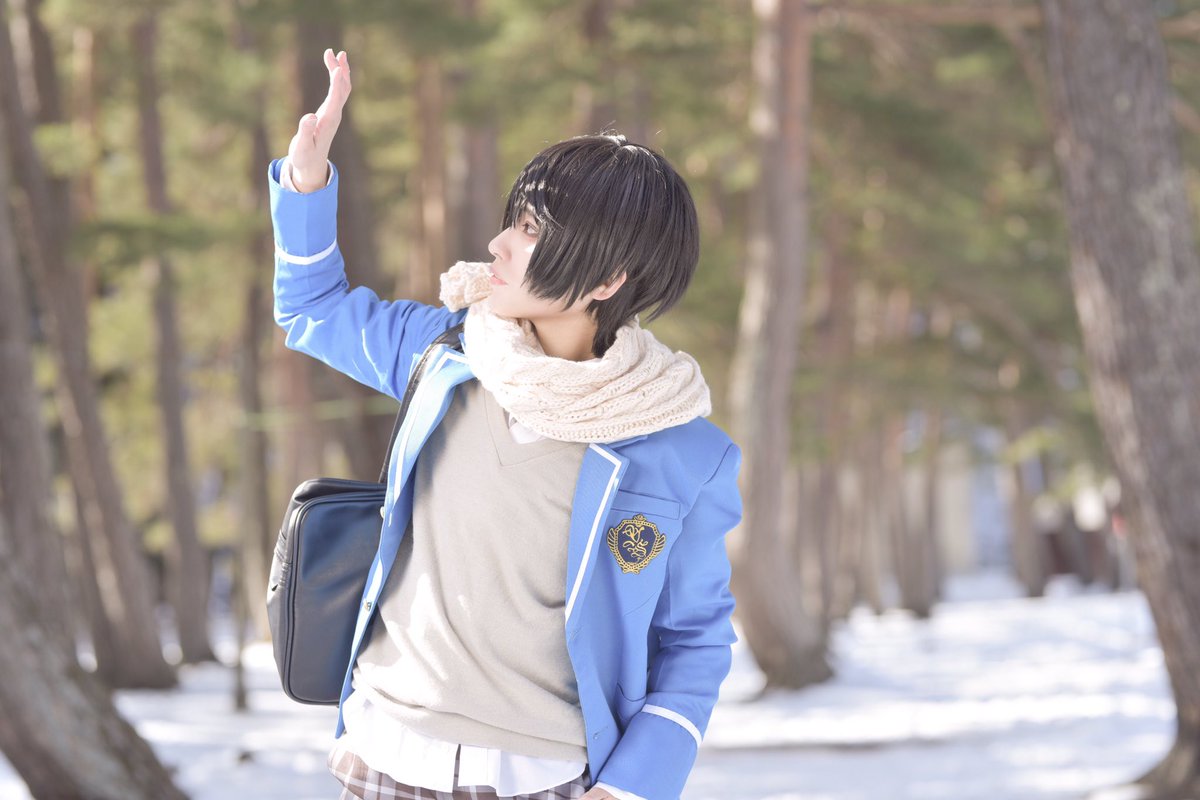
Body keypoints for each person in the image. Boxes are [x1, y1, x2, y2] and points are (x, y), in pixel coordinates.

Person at [270, 48, 743, 800]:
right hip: (383, 753)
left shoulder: (679, 450)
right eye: (511, 221)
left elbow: (695, 639)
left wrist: (634, 786)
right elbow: (313, 309)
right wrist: (306, 178)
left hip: (543, 779)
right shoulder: (446, 356)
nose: (497, 244)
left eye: (528, 228)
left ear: (605, 279)